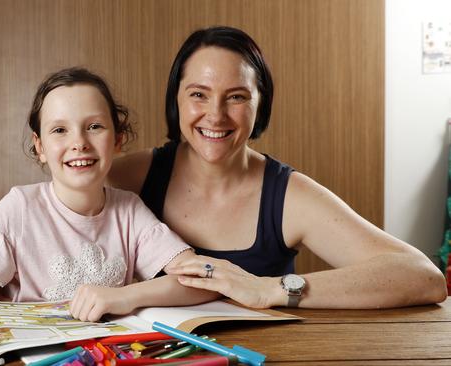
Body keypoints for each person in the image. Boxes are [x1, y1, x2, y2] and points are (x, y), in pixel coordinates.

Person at [109, 26, 448, 310]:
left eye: (237, 97)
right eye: (199, 94)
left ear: (261, 105)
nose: (215, 115)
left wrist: (270, 289)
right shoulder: (129, 177)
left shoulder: (286, 195)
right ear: (176, 99)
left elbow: (423, 277)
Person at [0, 67, 216, 360]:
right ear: (39, 146)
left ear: (118, 139)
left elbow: (202, 279)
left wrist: (126, 297)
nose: (78, 142)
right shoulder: (19, 210)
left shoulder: (129, 210)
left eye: (94, 127)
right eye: (60, 130)